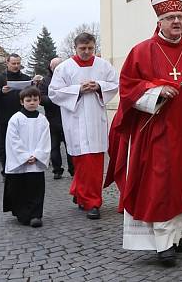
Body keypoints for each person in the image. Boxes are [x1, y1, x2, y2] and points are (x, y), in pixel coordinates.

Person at [106, 0, 182, 267]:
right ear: (159, 21)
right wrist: (156, 91)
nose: (176, 22)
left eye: (180, 17)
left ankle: (178, 235)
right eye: (171, 18)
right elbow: (128, 87)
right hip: (156, 133)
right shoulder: (141, 51)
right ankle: (162, 243)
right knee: (160, 185)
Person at [49, 33, 119, 221]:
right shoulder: (64, 68)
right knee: (81, 161)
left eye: (90, 48)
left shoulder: (103, 65)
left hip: (96, 120)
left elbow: (115, 84)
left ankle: (92, 202)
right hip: (76, 121)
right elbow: (54, 93)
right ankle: (81, 192)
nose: (87, 52)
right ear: (75, 48)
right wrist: (78, 89)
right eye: (83, 49)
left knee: (94, 163)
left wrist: (98, 86)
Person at [3, 86, 51, 228]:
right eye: (28, 100)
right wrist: (24, 156)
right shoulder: (16, 119)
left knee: (36, 189)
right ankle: (22, 214)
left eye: (35, 100)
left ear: (39, 101)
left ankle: (36, 215)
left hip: (36, 162)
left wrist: (37, 155)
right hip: (20, 163)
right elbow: (13, 140)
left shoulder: (42, 120)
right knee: (20, 189)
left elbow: (45, 139)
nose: (32, 102)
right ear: (21, 101)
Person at [0, 54, 32, 175]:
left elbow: (33, 95)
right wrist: (1, 91)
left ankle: (22, 168)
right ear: (7, 63)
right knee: (4, 146)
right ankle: (6, 170)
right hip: (3, 117)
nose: (16, 66)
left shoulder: (26, 78)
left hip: (23, 117)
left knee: (23, 144)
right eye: (13, 63)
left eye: (18, 63)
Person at [38, 57, 74, 180]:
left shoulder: (69, 78)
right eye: (55, 67)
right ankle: (57, 170)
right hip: (52, 119)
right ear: (51, 67)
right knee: (54, 147)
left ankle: (73, 170)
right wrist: (54, 99)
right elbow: (41, 98)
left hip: (68, 117)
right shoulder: (45, 81)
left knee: (71, 146)